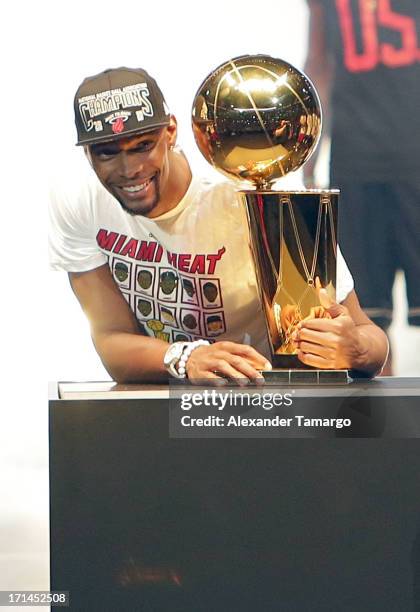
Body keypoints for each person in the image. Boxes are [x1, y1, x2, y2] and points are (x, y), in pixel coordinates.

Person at [49, 66, 388, 384]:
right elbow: (111, 339)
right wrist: (187, 357)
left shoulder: (246, 192)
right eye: (107, 153)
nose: (129, 169)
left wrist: (355, 348)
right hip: (167, 408)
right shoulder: (80, 202)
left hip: (273, 399)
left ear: (170, 131)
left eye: (143, 147)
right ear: (88, 155)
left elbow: (370, 339)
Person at [304, 0, 420, 374]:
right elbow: (320, 62)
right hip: (356, 163)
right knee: (364, 319)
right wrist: (310, 147)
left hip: (412, 151)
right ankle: (383, 428)